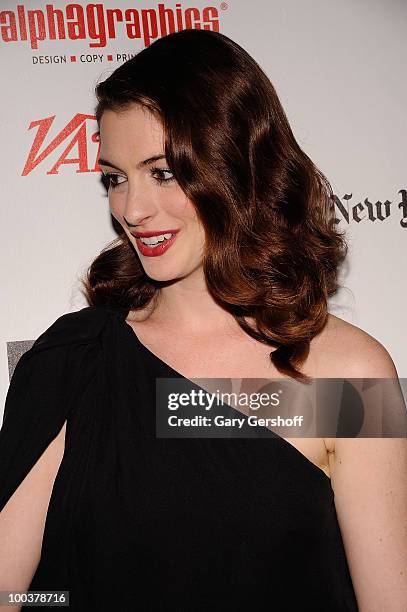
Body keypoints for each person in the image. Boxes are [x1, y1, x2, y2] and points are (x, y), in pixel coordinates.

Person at [1, 29, 406, 612]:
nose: (132, 209)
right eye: (115, 177)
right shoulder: (78, 361)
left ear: (238, 164)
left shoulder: (346, 375)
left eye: (163, 172)